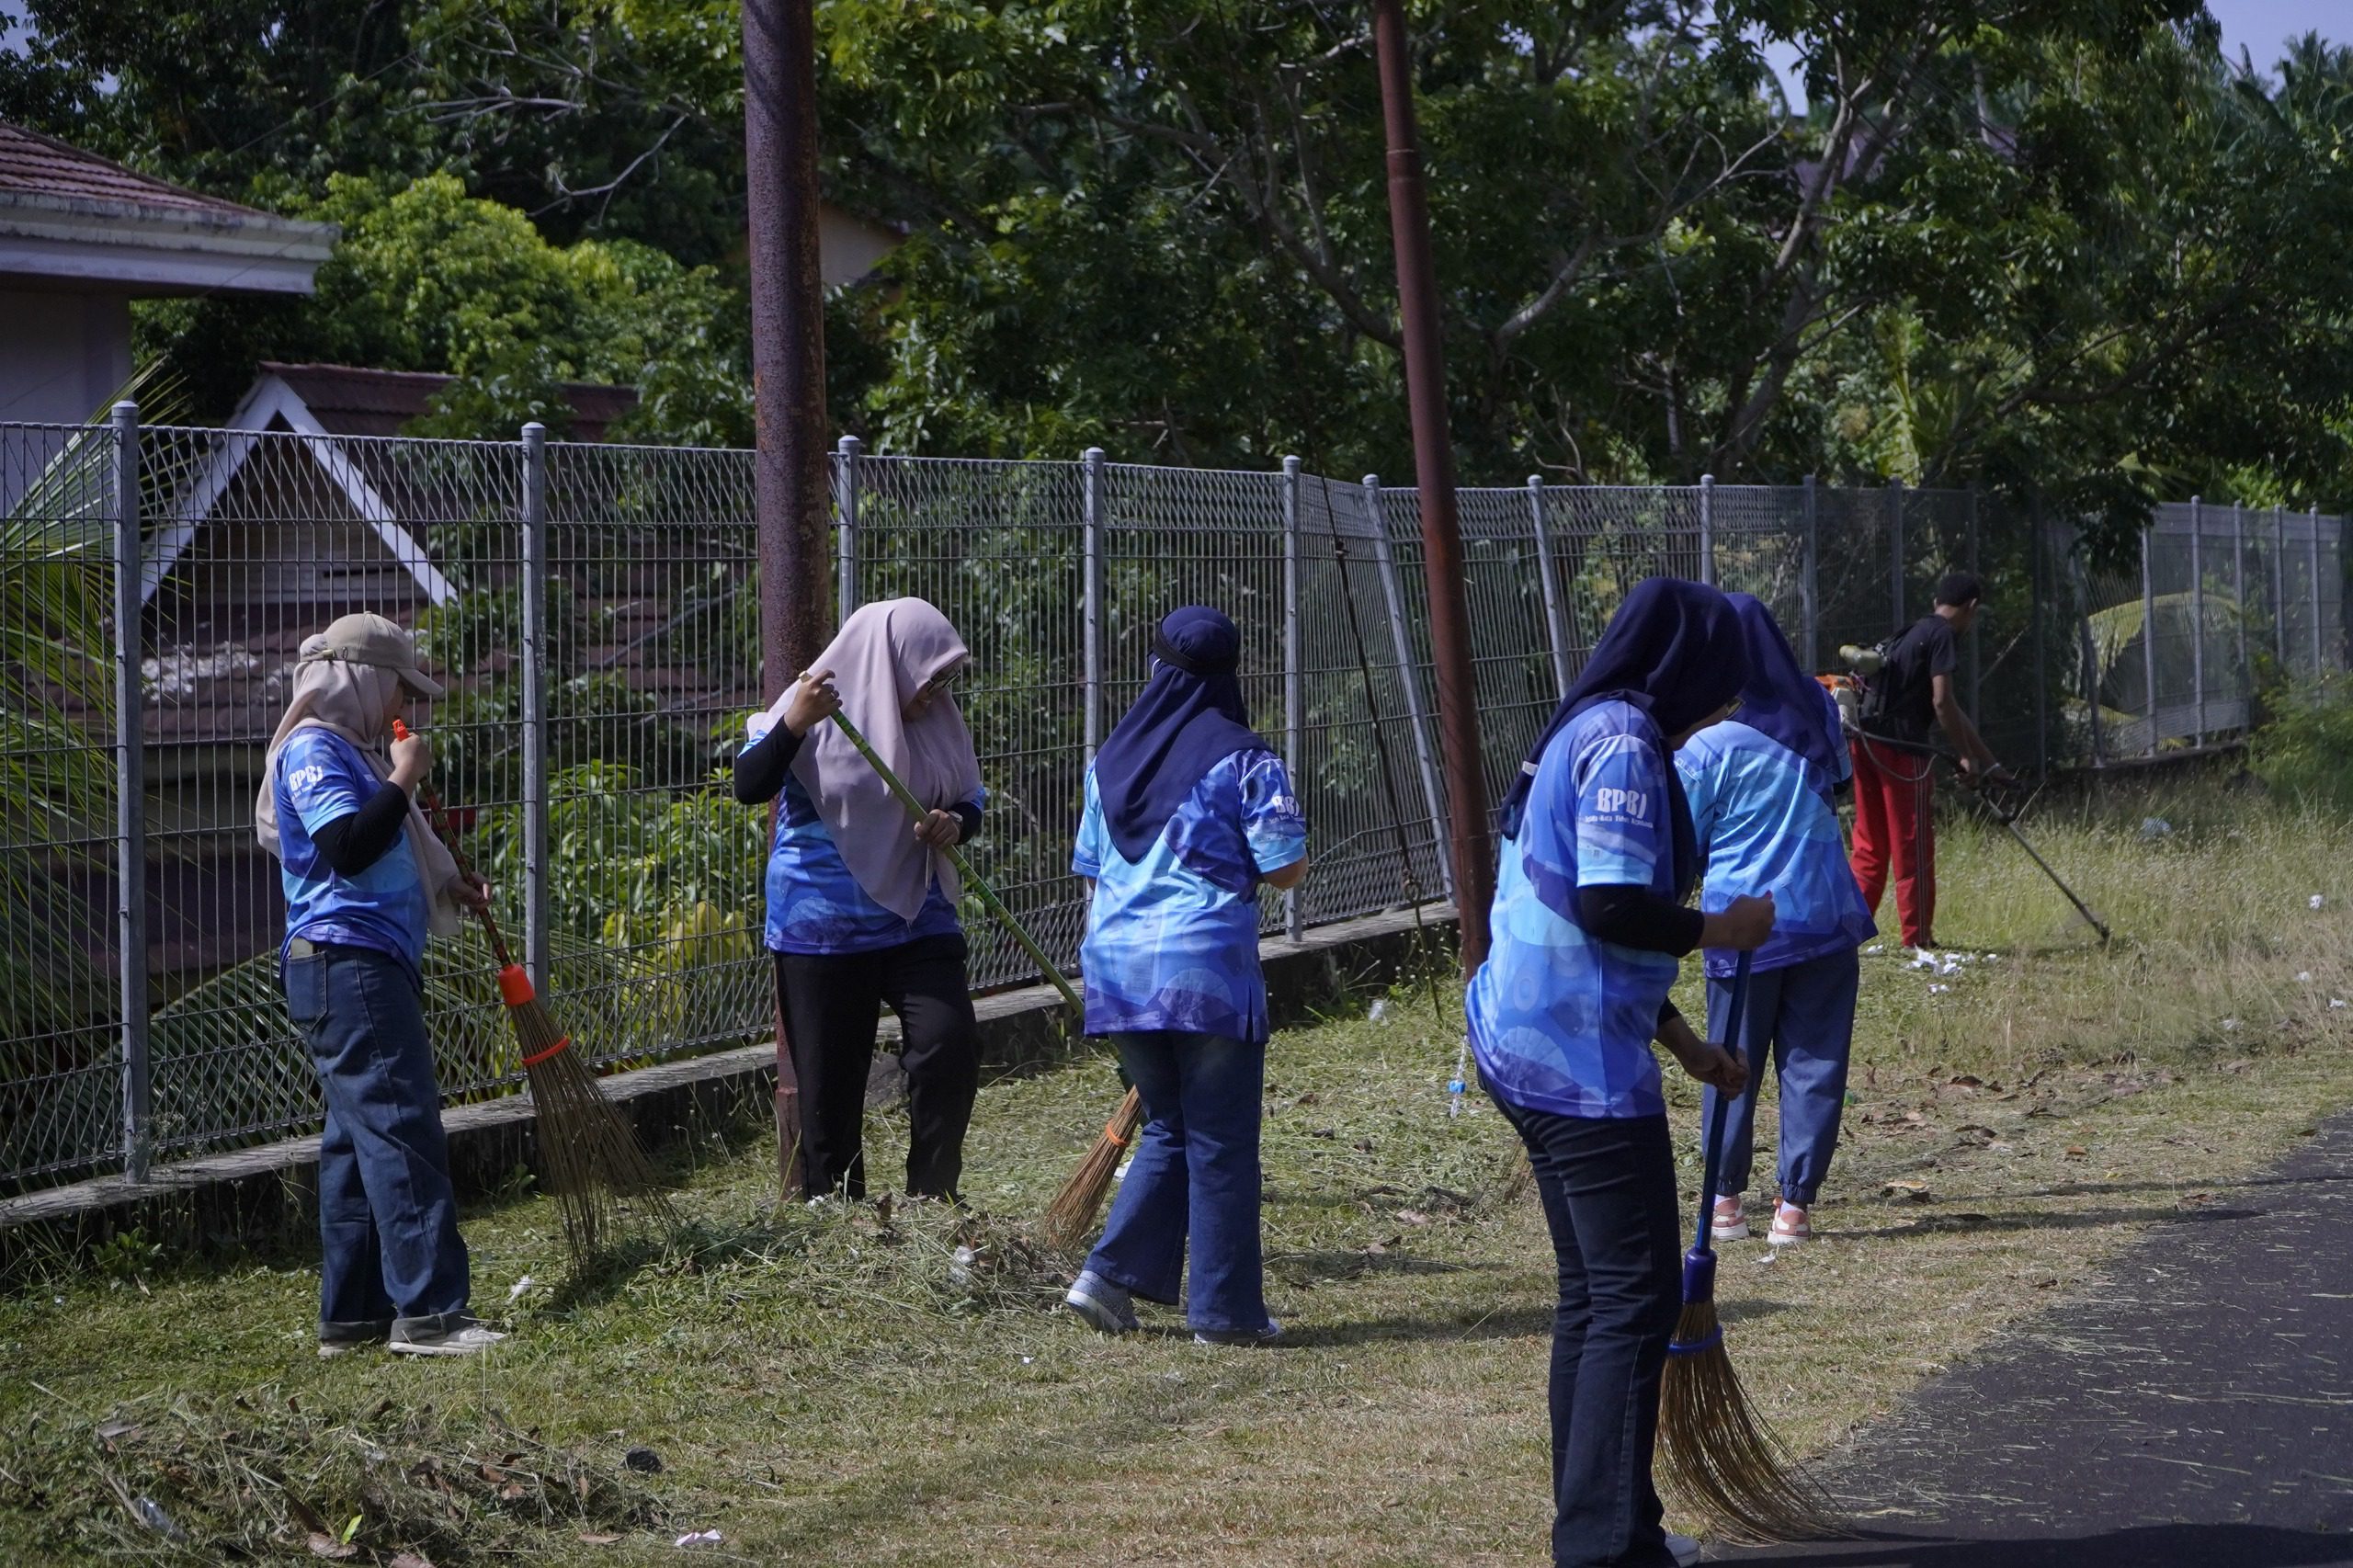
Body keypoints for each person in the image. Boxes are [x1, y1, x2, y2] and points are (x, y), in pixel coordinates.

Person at [1466, 576, 1773, 1568]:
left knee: (1597, 1294)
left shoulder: (1584, 726)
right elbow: (1608, 906)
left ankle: (1606, 1525)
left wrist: (1682, 1041)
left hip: (1534, 1036)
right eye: (1722, 686)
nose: (1723, 706)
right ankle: (1603, 1544)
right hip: (1572, 1064)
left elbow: (1577, 914)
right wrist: (1718, 928)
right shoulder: (1625, 747)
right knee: (1631, 1296)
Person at [255, 613, 502, 1358]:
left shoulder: (350, 751)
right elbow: (349, 848)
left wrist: (446, 886)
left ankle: (353, 1317)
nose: (405, 701)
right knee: (401, 1128)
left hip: (360, 963)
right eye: (398, 682)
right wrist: (405, 776)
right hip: (346, 963)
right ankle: (431, 1314)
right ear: (359, 678)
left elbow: (381, 846)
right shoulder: (312, 750)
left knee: (358, 1142)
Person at [1061, 607, 1307, 1346]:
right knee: (1223, 1138)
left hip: (1117, 972)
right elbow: (1286, 869)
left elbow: (1095, 871)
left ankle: (1104, 1281)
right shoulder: (1246, 758)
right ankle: (1226, 1316)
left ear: (1156, 667)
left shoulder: (1107, 761)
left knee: (1171, 1124)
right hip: (1204, 972)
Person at [734, 597, 985, 1203]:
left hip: (915, 916)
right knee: (831, 1086)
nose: (934, 696)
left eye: (944, 681)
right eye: (928, 681)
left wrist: (955, 822)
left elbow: (971, 798)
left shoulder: (937, 722)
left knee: (949, 1043)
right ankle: (839, 1209)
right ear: (887, 665)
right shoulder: (812, 710)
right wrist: (795, 722)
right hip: (823, 927)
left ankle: (933, 1194)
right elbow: (749, 785)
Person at [1678, 595, 1878, 1249]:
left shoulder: (1707, 739)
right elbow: (1841, 782)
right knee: (1814, 1059)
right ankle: (1794, 1209)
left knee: (1729, 1056)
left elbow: (1685, 834)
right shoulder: (1816, 707)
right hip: (1824, 911)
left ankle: (1726, 1203)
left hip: (1742, 924)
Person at [1848, 571, 2010, 950]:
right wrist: (1966, 759)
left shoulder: (1910, 632)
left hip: (1866, 745)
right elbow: (1941, 702)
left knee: (1870, 846)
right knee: (1912, 845)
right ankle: (1917, 939)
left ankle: (1849, 934)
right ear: (1971, 607)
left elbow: (1952, 710)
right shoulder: (1942, 636)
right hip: (1903, 753)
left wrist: (1988, 762)